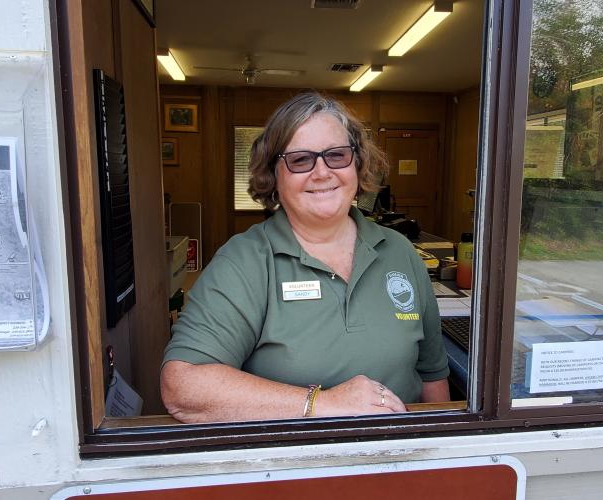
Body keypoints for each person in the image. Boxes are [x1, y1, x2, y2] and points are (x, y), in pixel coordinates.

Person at [161, 92, 449, 423]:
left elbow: (432, 375)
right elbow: (183, 387)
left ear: (356, 163)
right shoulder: (246, 260)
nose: (322, 172)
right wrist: (321, 404)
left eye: (336, 155)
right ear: (274, 175)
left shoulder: (399, 251)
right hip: (290, 467)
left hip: (399, 460)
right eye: (300, 160)